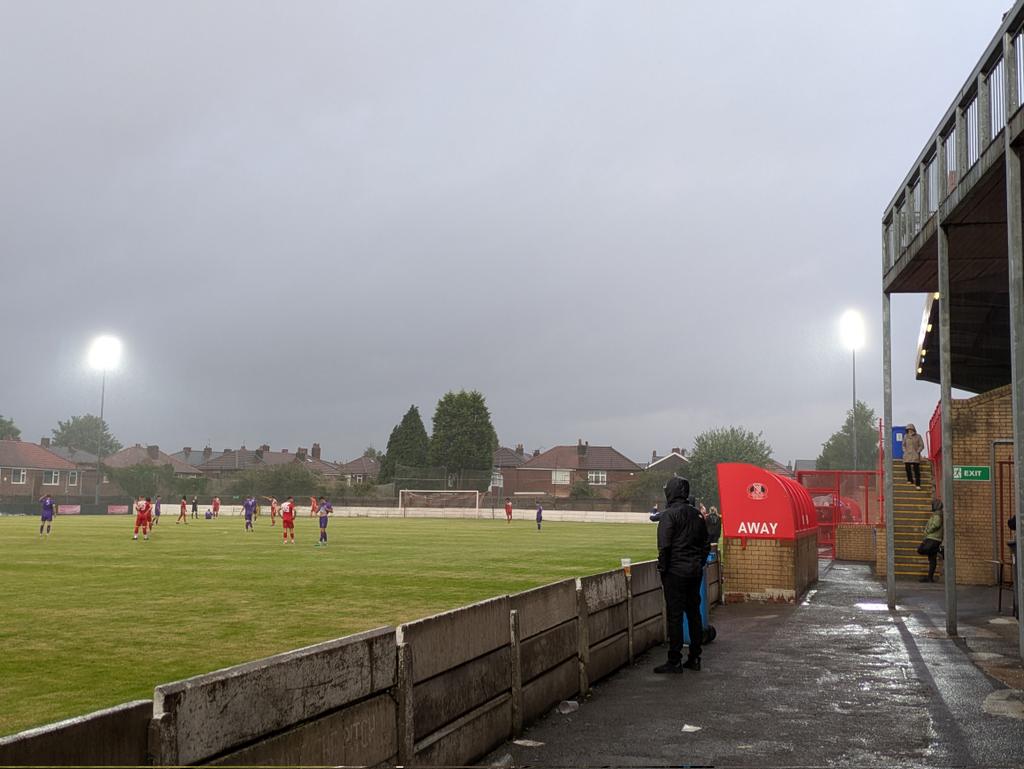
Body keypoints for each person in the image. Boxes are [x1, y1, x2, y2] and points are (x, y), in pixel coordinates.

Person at [654, 476, 710, 674]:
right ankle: (695, 657)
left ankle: (674, 660)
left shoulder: (669, 515)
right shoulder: (697, 515)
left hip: (675, 572)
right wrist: (699, 563)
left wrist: (663, 570)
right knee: (694, 613)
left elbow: (664, 547)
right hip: (694, 571)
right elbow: (705, 545)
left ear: (671, 492)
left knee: (675, 616)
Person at [917, 498, 944, 582]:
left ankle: (940, 550)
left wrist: (928, 531)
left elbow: (936, 524)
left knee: (921, 549)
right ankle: (930, 578)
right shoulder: (936, 514)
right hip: (934, 537)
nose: (931, 506)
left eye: (932, 505)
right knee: (932, 559)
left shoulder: (937, 515)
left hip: (933, 538)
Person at [903, 424, 926, 489]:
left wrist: (918, 451)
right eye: (908, 429)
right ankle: (910, 480)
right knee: (907, 468)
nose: (910, 431)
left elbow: (922, 445)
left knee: (916, 470)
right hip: (907, 455)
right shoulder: (905, 436)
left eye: (911, 429)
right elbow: (903, 445)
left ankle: (918, 484)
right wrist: (905, 450)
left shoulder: (918, 436)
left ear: (913, 429)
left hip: (915, 455)